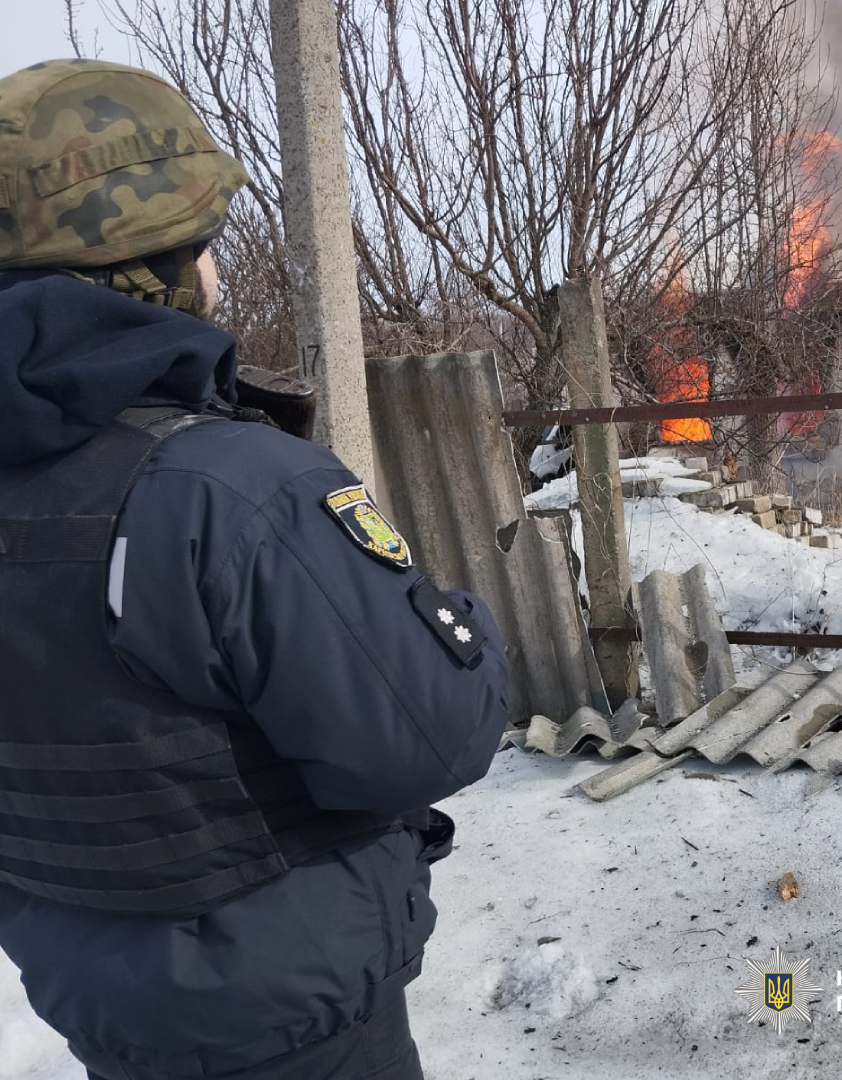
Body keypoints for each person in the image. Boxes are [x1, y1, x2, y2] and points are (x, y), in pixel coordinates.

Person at [0, 58, 510, 1080]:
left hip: (98, 996)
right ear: (154, 264)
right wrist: (464, 631)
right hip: (288, 1015)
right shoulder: (228, 488)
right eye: (206, 243)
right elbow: (424, 738)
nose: (217, 270)